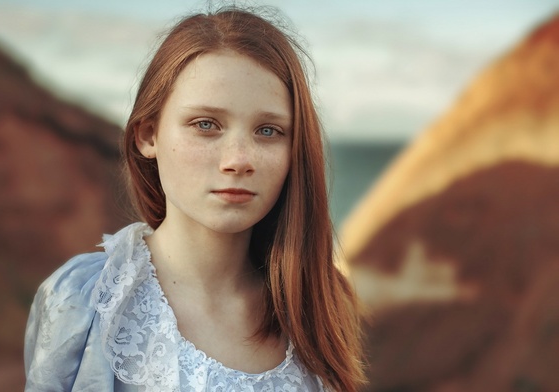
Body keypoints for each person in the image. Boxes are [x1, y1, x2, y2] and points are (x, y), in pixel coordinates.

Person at [24, 6, 366, 392]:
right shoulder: (83, 301)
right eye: (206, 125)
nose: (239, 160)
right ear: (148, 136)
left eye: (268, 131)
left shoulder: (318, 301)